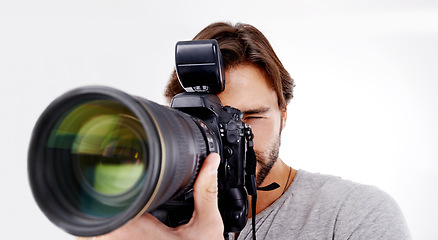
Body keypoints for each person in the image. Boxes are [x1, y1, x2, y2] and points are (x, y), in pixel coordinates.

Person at [82, 22, 411, 240]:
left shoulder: (352, 214)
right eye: (208, 121)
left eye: (249, 118)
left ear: (284, 115)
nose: (227, 138)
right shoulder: (143, 220)